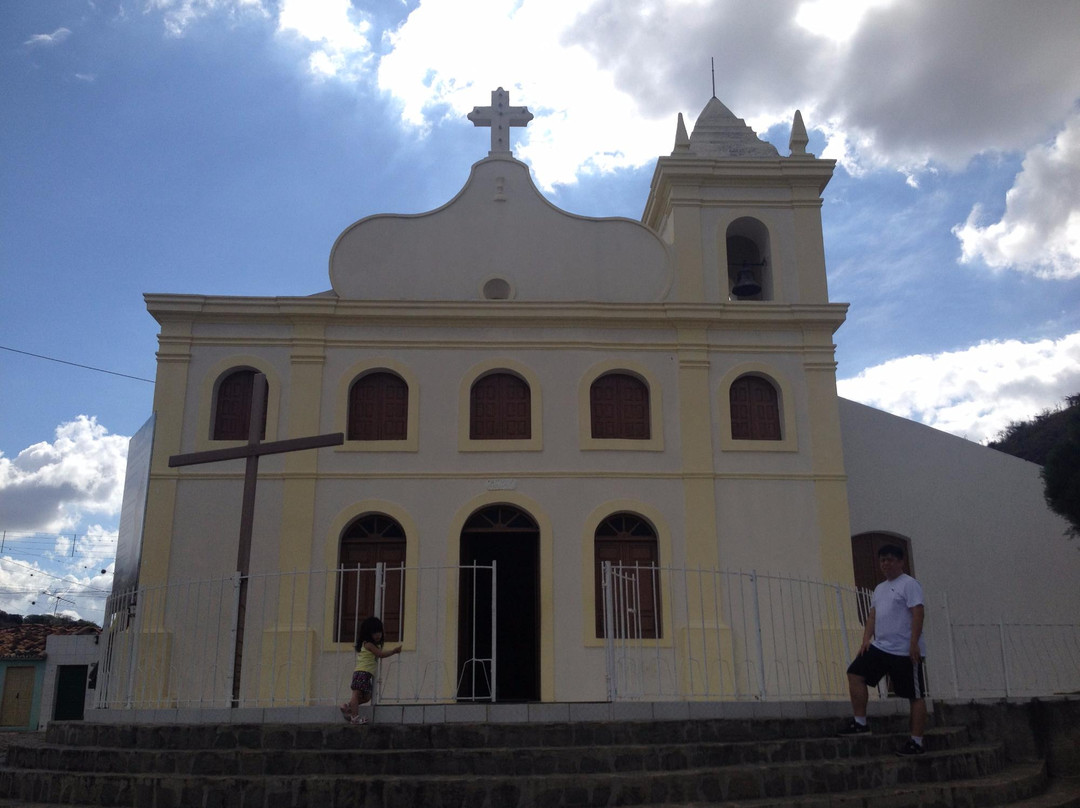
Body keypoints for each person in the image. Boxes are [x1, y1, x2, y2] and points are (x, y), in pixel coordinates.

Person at [837, 544, 928, 756]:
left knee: (914, 695)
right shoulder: (879, 588)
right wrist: (866, 639)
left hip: (904, 650)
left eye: (889, 559)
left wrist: (913, 643)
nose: (885, 564)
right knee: (855, 673)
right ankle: (860, 723)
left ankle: (916, 741)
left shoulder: (910, 585)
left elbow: (918, 613)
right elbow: (872, 616)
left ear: (900, 561)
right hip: (881, 647)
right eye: (882, 560)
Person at [341, 616, 401, 725]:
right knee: (356, 694)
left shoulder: (372, 645)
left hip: (366, 674)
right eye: (374, 633)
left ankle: (348, 706)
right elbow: (380, 654)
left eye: (379, 632)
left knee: (367, 697)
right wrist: (394, 651)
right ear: (368, 633)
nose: (378, 635)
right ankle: (354, 717)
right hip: (362, 672)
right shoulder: (369, 645)